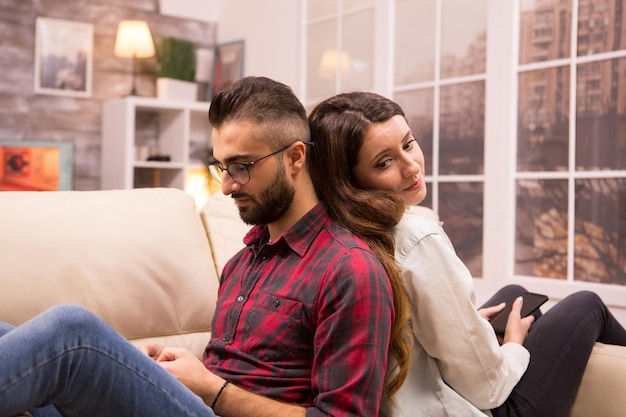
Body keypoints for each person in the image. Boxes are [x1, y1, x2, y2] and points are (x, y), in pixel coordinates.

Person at [0, 77, 397, 417]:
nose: (226, 186)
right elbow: (225, 371)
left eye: (241, 166)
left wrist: (212, 389)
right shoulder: (244, 262)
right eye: (221, 166)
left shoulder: (349, 269)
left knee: (70, 331)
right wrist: (159, 372)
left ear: (294, 157)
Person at [307, 91, 626, 417]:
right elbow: (489, 387)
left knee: (514, 296)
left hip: (419, 392)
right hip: (466, 408)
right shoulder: (414, 236)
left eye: (408, 143)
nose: (411, 165)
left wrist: (471, 327)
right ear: (350, 181)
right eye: (384, 162)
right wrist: (514, 346)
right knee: (587, 305)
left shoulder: (335, 235)